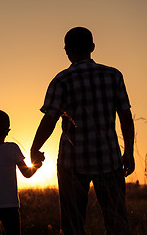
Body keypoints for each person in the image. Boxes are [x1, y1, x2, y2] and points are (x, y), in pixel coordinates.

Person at [30, 27, 135, 235]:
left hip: (72, 164)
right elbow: (125, 117)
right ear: (93, 47)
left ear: (66, 50)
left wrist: (35, 148)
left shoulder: (61, 80)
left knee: (72, 226)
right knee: (117, 223)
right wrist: (129, 152)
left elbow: (49, 119)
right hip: (109, 159)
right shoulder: (113, 75)